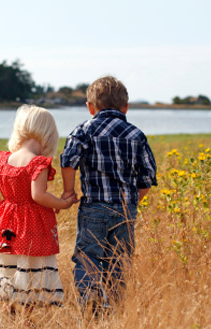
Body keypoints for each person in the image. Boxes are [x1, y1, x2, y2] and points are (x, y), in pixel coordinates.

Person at [60, 76, 157, 308]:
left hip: (93, 207)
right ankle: (114, 304)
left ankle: (91, 300)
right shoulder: (136, 135)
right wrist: (132, 203)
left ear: (90, 107)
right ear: (126, 107)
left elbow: (67, 161)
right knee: (119, 260)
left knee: (88, 257)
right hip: (125, 211)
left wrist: (67, 192)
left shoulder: (83, 130)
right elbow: (147, 178)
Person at [0, 104, 75, 313]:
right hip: (33, 227)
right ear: (49, 134)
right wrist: (64, 203)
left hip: (5, 227)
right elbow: (38, 195)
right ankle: (27, 317)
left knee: (9, 266)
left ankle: (10, 307)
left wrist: (3, 214)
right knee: (31, 269)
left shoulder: (3, 159)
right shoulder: (39, 163)